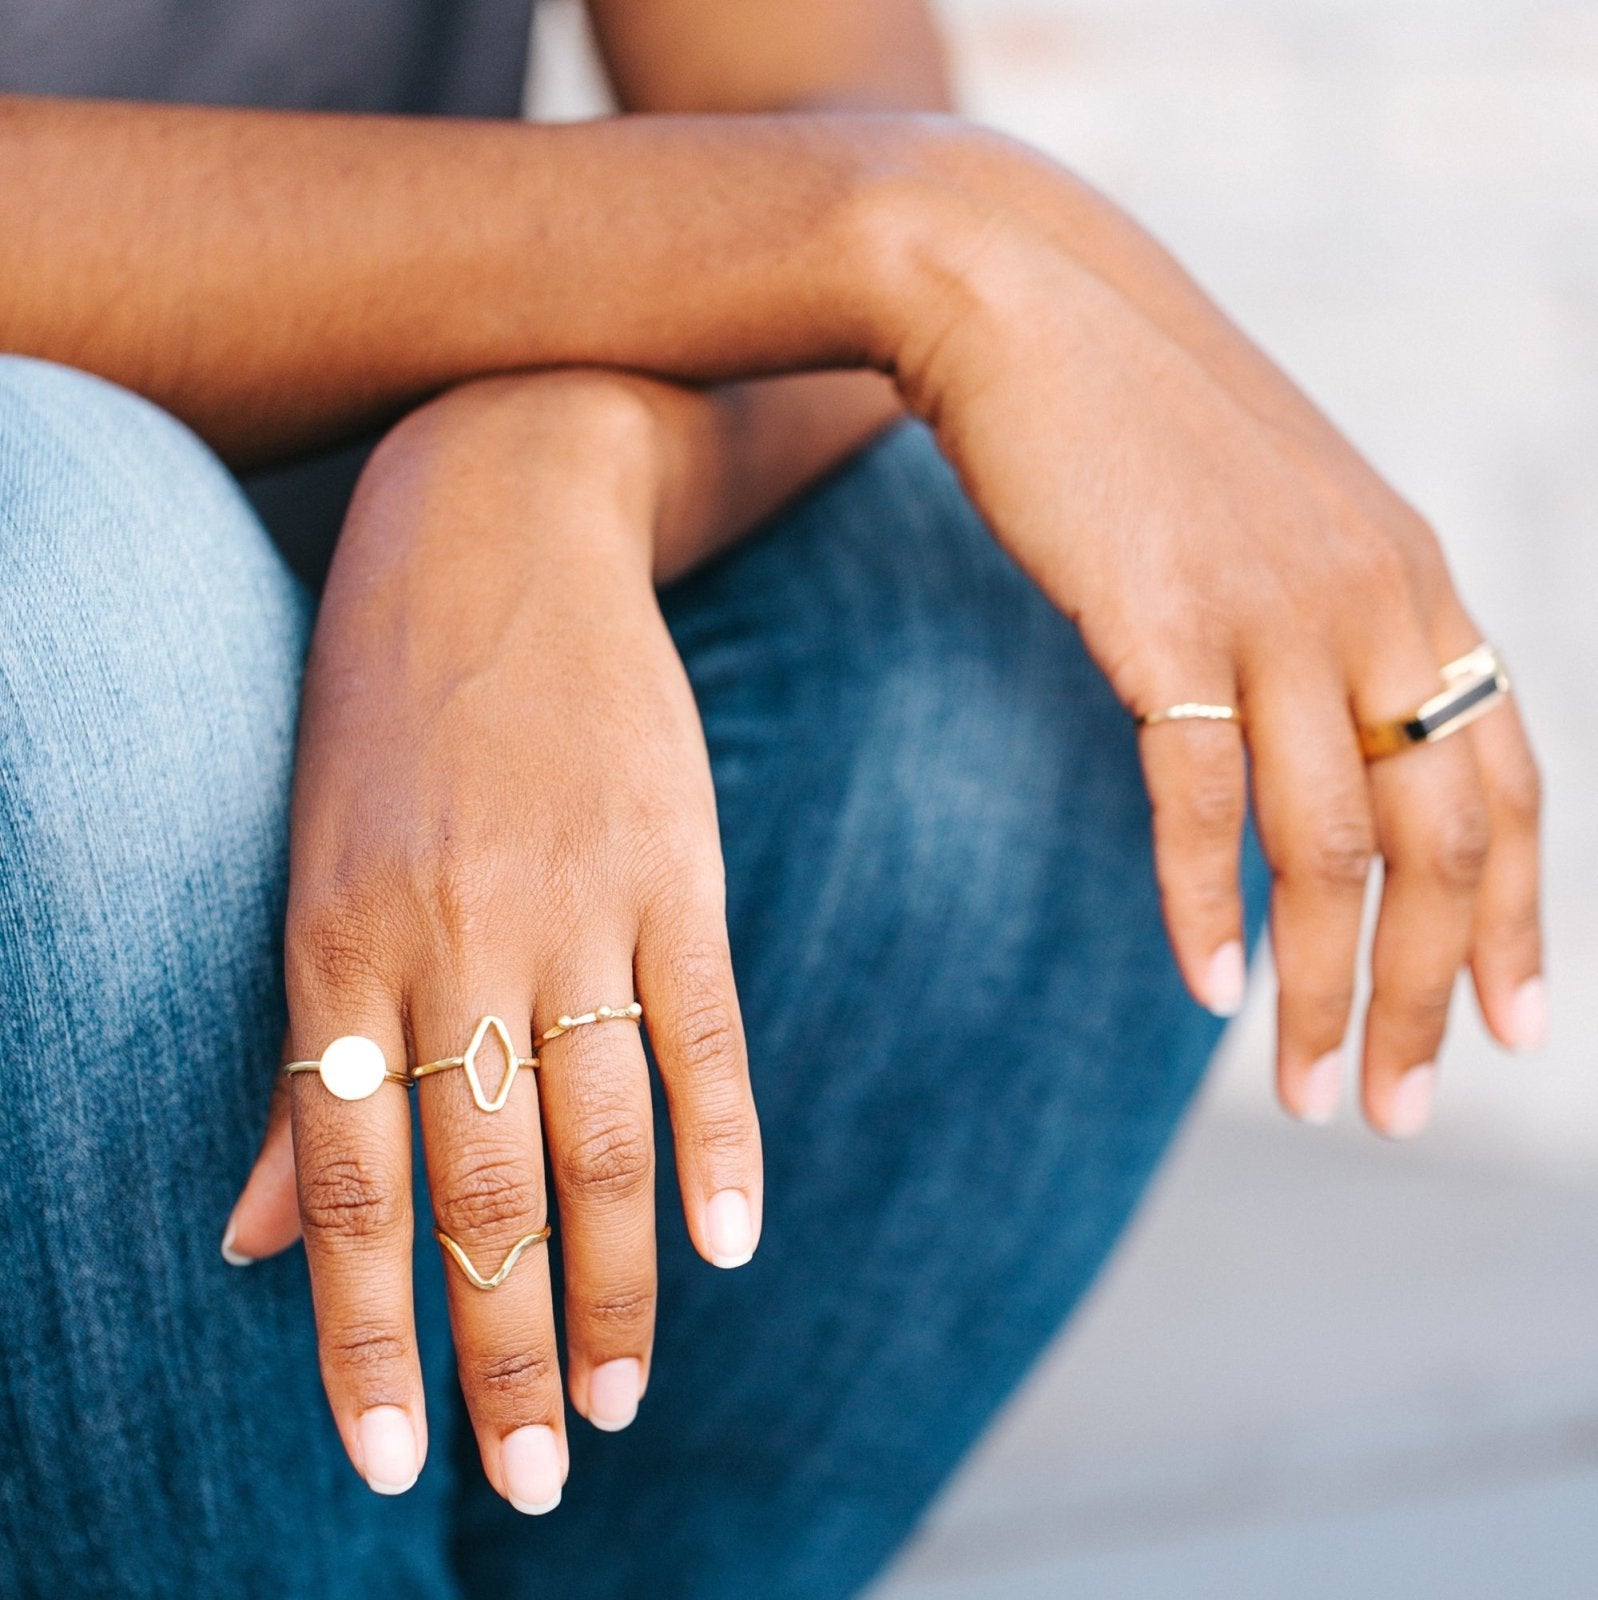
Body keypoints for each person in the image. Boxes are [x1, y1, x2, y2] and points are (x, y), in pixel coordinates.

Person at [0, 3, 1545, 1596]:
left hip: (351, 563)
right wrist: (909, 222)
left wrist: (544, 468)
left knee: (1009, 620)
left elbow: (810, 99)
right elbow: (833, 187)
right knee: (63, 602)